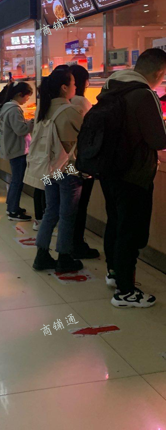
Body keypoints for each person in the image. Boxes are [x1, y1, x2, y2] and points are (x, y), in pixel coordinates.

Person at [95, 49, 166, 308]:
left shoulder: (111, 88)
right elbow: (158, 140)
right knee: (131, 232)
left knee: (115, 223)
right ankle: (125, 292)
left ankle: (114, 273)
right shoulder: (144, 94)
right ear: (159, 72)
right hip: (134, 175)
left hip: (109, 170)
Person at [27, 67, 84, 273]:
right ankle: (64, 257)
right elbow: (85, 137)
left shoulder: (43, 109)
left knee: (51, 209)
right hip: (67, 169)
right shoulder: (70, 111)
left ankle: (41, 254)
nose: (75, 87)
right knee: (67, 213)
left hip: (49, 169)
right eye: (73, 83)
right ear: (64, 87)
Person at [68, 64, 99, 260]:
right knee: (79, 205)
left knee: (70, 205)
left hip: (65, 163)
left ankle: (70, 243)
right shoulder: (81, 102)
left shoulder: (64, 102)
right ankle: (76, 244)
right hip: (80, 163)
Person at [0, 82, 34, 217]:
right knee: (17, 180)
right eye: (27, 97)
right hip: (17, 150)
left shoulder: (7, 107)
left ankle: (12, 205)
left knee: (16, 179)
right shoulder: (14, 109)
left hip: (12, 148)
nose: (27, 100)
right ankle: (13, 209)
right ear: (20, 94)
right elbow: (21, 130)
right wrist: (33, 122)